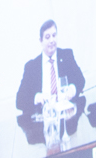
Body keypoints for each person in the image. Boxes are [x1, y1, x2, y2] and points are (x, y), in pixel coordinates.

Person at [14, 20, 87, 149]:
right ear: (40, 41)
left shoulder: (67, 56)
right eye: (47, 37)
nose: (52, 40)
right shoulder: (32, 67)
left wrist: (72, 88)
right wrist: (37, 97)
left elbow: (80, 80)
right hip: (43, 124)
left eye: (54, 35)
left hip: (66, 121)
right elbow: (19, 101)